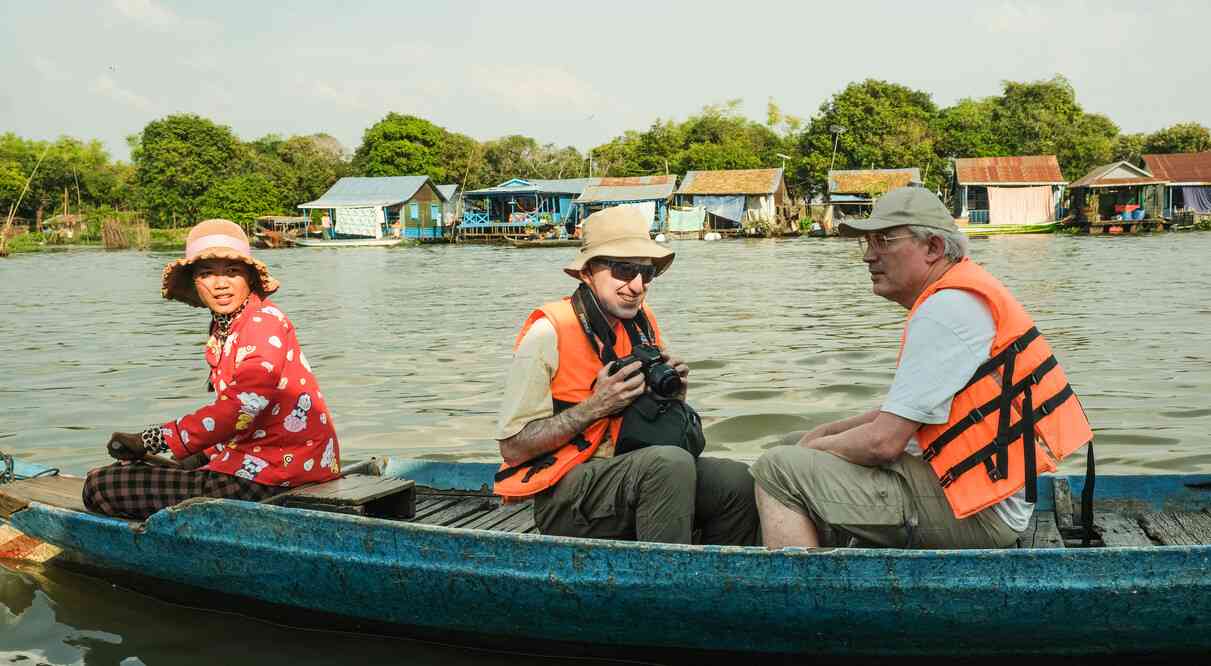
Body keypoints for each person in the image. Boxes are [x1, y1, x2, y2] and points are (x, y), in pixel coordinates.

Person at [752, 187, 1093, 549]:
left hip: (979, 513)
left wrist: (815, 447)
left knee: (777, 469)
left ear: (933, 248)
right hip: (979, 493)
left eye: (883, 240)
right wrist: (825, 432)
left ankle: (805, 596)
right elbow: (903, 417)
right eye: (866, 243)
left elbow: (884, 443)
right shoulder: (957, 295)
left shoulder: (945, 310)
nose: (869, 256)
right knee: (793, 446)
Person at [494, 206, 758, 545]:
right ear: (587, 273)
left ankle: (719, 582)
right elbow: (514, 447)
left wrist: (674, 398)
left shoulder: (641, 322)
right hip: (566, 497)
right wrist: (596, 405)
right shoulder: (548, 333)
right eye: (623, 270)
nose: (637, 286)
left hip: (636, 470)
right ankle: (660, 584)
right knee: (669, 464)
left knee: (735, 480)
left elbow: (653, 428)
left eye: (646, 274)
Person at [82, 219, 341, 519]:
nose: (220, 284)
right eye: (207, 274)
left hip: (278, 474)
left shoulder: (262, 322)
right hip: (267, 462)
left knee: (99, 486)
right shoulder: (227, 327)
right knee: (129, 469)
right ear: (195, 281)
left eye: (232, 272)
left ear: (249, 278)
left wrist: (150, 440)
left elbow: (242, 407)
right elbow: (241, 420)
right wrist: (194, 457)